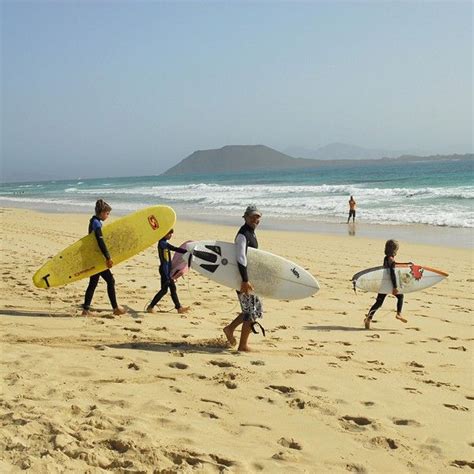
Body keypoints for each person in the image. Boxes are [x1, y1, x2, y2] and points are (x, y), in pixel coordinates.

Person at [223, 205, 263, 351]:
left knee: (254, 310)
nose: (255, 220)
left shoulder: (251, 232)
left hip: (248, 279)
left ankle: (229, 329)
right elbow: (241, 258)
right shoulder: (243, 234)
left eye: (257, 217)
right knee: (250, 312)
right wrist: (245, 280)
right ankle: (242, 345)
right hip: (243, 279)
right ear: (245, 217)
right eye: (252, 217)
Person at [82, 199, 127, 316]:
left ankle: (86, 309)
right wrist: (108, 257)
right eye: (107, 213)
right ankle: (115, 308)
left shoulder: (93, 221)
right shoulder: (96, 224)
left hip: (94, 257)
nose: (108, 216)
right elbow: (100, 242)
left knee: (93, 283)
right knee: (110, 281)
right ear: (101, 212)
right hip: (97, 259)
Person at [364, 239, 408, 329]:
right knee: (401, 297)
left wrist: (405, 264)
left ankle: (368, 318)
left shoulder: (386, 258)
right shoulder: (392, 260)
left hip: (383, 283)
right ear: (394, 250)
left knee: (379, 303)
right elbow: (392, 274)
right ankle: (398, 313)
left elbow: (391, 268)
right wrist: (395, 287)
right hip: (390, 284)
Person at [147, 229, 190, 314]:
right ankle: (150, 307)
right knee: (164, 290)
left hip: (166, 270)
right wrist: (167, 276)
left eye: (171, 234)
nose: (170, 236)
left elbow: (175, 249)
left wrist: (186, 251)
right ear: (164, 234)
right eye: (169, 234)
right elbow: (172, 250)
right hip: (164, 270)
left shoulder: (164, 243)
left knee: (171, 289)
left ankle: (179, 308)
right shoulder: (162, 244)